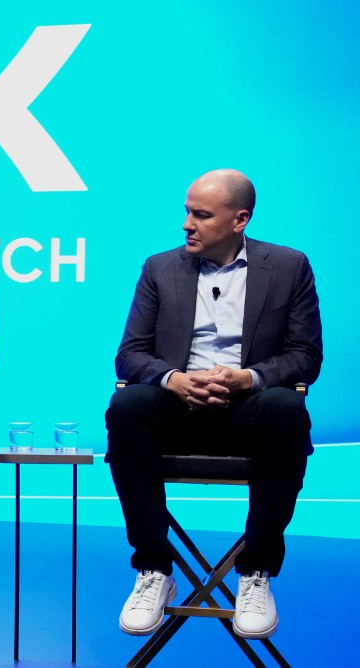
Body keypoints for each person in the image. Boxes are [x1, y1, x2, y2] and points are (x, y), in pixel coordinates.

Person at [106, 169, 322, 640]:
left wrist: (249, 378)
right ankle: (153, 570)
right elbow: (130, 354)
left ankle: (257, 571)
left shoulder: (288, 266)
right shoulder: (159, 268)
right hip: (176, 409)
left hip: (248, 410)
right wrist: (174, 380)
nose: (187, 223)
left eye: (200, 215)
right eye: (186, 211)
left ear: (239, 220)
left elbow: (306, 357)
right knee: (126, 407)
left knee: (288, 409)